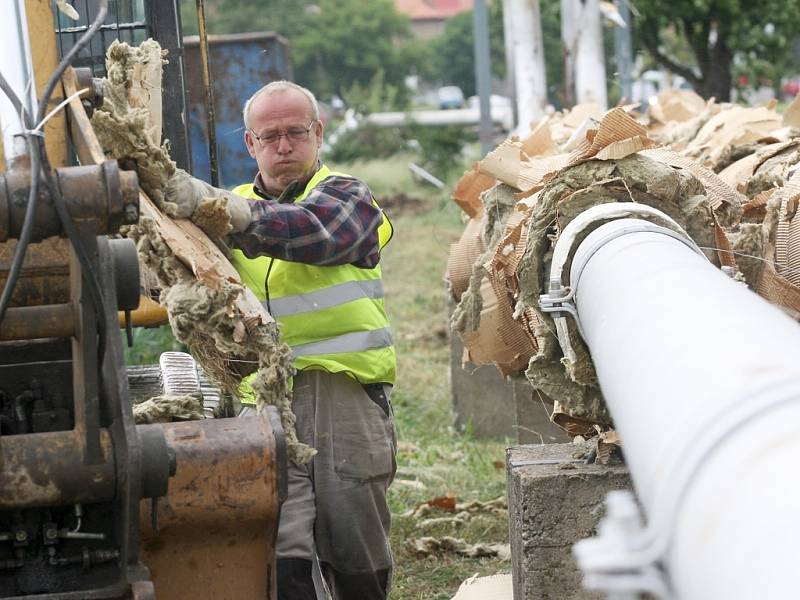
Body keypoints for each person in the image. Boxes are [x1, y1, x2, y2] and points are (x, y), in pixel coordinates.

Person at [165, 81, 397, 600]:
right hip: (263, 405)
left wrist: (228, 213)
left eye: (296, 132)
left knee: (353, 548)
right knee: (280, 548)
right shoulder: (225, 210)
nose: (284, 146)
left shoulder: (347, 196)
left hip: (343, 399)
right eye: (271, 136)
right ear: (250, 144)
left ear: (318, 133)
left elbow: (320, 233)